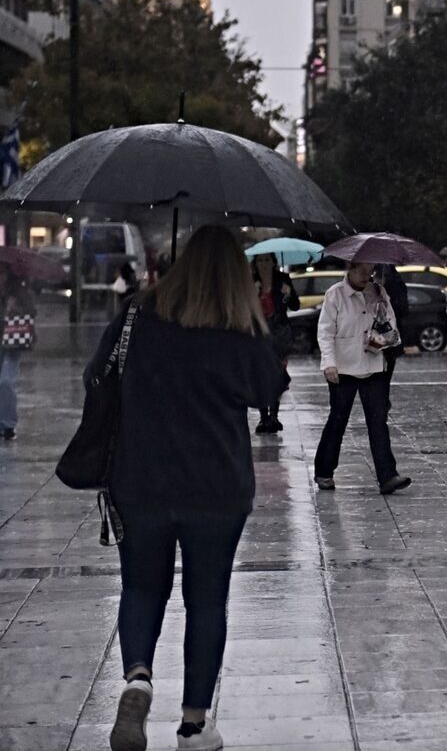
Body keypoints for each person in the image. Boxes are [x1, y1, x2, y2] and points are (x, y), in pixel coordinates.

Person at [97, 225, 288, 751]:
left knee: (140, 587)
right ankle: (193, 725)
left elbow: (99, 375)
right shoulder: (238, 329)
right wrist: (263, 320)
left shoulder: (137, 315)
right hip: (216, 486)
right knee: (207, 601)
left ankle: (138, 677)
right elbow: (269, 388)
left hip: (141, 479)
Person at [314, 262, 412, 494]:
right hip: (343, 368)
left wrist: (383, 337)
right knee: (338, 419)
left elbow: (391, 321)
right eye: (359, 270)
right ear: (349, 269)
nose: (364, 275)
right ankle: (324, 471)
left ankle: (388, 475)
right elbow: (325, 331)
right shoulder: (335, 294)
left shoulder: (378, 291)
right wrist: (329, 363)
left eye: (368, 270)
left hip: (374, 364)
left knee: (378, 421)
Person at [250, 252, 299, 434]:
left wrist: (288, 295)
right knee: (261, 375)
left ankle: (274, 415)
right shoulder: (251, 281)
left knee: (277, 374)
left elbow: (295, 306)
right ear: (255, 263)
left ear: (273, 262)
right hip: (259, 334)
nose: (263, 263)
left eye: (267, 260)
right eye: (260, 260)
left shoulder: (283, 279)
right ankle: (264, 417)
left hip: (279, 334)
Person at [0, 264, 36, 441]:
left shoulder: (19, 292)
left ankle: (8, 424)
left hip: (12, 342)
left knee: (6, 381)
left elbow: (32, 312)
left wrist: (16, 308)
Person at [375, 264, 409, 410]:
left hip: (389, 336)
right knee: (380, 373)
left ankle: (381, 401)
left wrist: (387, 301)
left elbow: (402, 310)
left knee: (385, 372)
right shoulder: (372, 286)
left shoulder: (396, 285)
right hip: (376, 337)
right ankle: (380, 400)